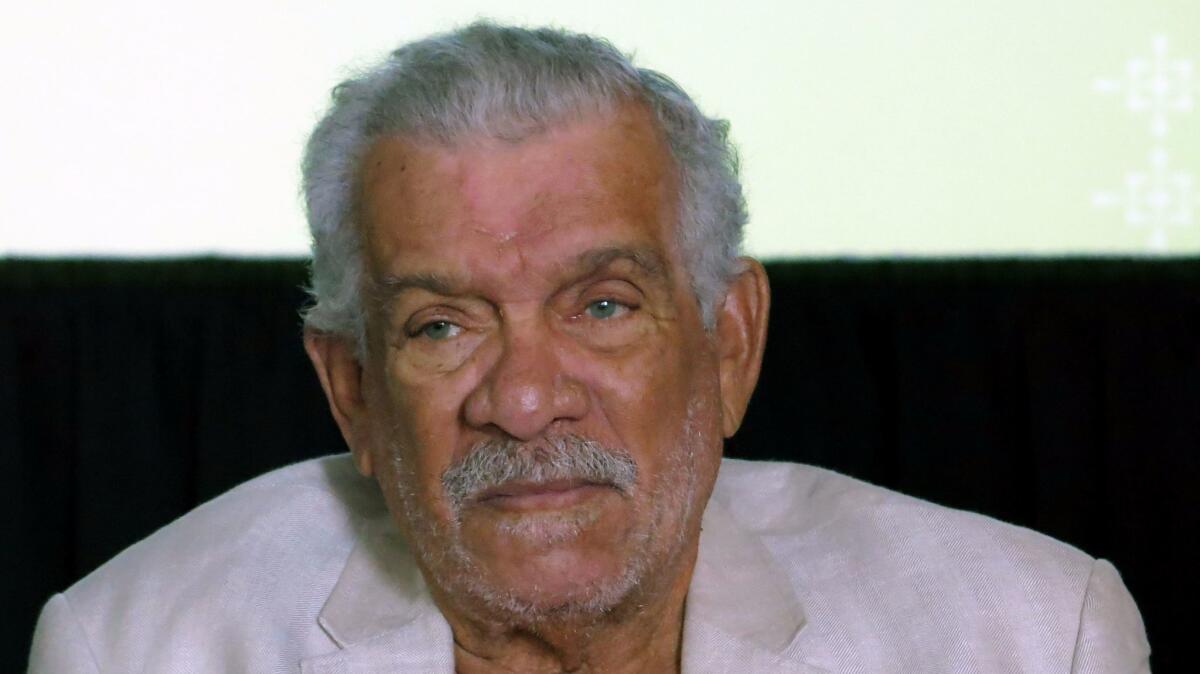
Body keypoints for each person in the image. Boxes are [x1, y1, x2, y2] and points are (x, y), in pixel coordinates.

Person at [29, 21, 1150, 673]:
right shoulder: (136, 646)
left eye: (602, 305)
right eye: (442, 324)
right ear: (354, 394)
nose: (523, 400)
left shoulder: (1030, 637)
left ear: (727, 344)